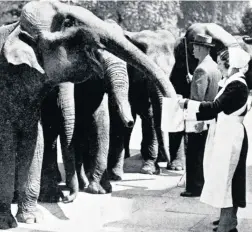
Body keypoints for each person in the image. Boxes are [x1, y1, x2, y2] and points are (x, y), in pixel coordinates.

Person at [179, 45, 250, 232]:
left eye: (220, 64)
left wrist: (187, 104)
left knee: (227, 180)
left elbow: (214, 107)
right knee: (225, 179)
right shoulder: (232, 81)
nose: (218, 67)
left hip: (231, 138)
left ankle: (227, 225)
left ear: (231, 64)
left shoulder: (236, 84)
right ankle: (228, 220)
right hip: (227, 135)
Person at [180, 34, 222, 197]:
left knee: (194, 152)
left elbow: (197, 99)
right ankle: (202, 183)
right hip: (211, 117)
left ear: (204, 49)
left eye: (196, 47)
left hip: (199, 118)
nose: (192, 50)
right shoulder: (213, 66)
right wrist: (194, 81)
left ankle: (194, 187)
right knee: (204, 153)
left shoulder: (201, 69)